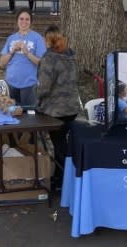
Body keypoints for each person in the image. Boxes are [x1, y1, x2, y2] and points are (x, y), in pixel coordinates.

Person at [35, 25, 82, 191]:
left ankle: (61, 180)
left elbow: (44, 88)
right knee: (63, 143)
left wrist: (37, 99)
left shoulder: (49, 59)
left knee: (59, 145)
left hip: (56, 110)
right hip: (72, 108)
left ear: (48, 40)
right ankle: (65, 176)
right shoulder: (71, 56)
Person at [0, 9, 46, 106]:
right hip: (10, 83)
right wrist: (12, 51)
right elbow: (1, 63)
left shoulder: (37, 38)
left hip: (30, 85)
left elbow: (42, 63)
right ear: (17, 21)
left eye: (27, 19)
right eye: (21, 19)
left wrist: (27, 53)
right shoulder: (11, 38)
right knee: (11, 115)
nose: (24, 22)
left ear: (31, 22)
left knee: (30, 117)